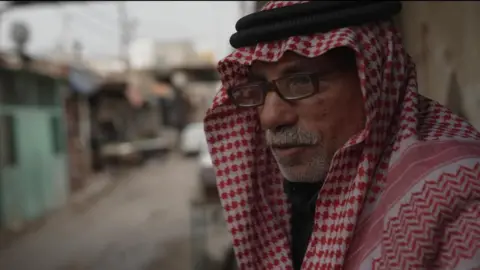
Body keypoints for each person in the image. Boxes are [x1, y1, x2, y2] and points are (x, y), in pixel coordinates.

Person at [204, 1, 480, 269]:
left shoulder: (460, 204)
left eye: (300, 82)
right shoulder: (289, 197)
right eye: (259, 88)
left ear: (374, 78)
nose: (270, 117)